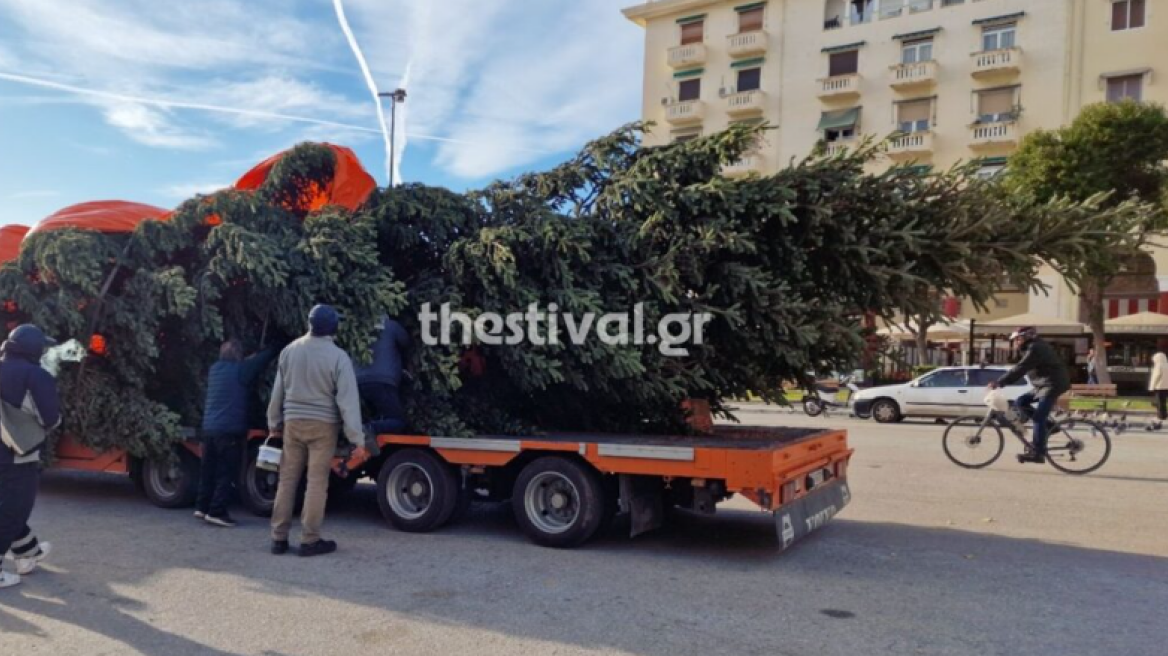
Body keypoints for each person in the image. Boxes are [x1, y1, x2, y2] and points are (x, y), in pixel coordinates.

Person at [267, 305, 363, 557]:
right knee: (316, 483)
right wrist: (357, 439)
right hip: (323, 426)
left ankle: (278, 538)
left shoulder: (290, 351)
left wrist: (273, 422)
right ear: (333, 327)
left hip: (293, 422)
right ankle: (309, 540)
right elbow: (347, 400)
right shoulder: (338, 356)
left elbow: (278, 391)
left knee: (287, 480)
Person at [0, 324, 61, 589]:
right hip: (17, 454)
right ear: (34, 349)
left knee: (10, 506)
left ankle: (28, 554)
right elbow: (50, 418)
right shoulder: (35, 375)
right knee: (14, 509)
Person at [195, 339, 279, 528]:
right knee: (227, 471)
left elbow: (243, 365)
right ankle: (217, 512)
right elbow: (261, 361)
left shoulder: (215, 370)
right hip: (229, 431)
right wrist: (273, 346)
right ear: (238, 356)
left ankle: (202, 507)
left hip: (209, 429)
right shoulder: (242, 371)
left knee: (208, 470)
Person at [987, 326, 1070, 464]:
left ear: (1026, 337)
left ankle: (1038, 453)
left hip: (1053, 384)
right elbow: (1022, 367)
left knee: (1038, 418)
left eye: (1018, 339)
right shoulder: (1033, 347)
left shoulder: (1035, 348)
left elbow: (1021, 368)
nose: (1016, 342)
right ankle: (1049, 427)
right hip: (1044, 384)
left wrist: (1000, 382)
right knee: (1021, 402)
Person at [355, 315, 411, 434]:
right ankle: (369, 429)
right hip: (383, 381)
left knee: (379, 415)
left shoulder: (359, 329)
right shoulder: (391, 326)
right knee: (398, 421)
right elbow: (406, 341)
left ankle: (371, 436)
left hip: (359, 382)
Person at [1149, 352, 1168, 421]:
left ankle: (1160, 416)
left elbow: (1156, 377)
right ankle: (1165, 415)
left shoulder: (1159, 366)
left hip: (1159, 386)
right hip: (1166, 387)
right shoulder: (1167, 365)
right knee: (1163, 402)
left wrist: (1151, 387)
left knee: (1159, 402)